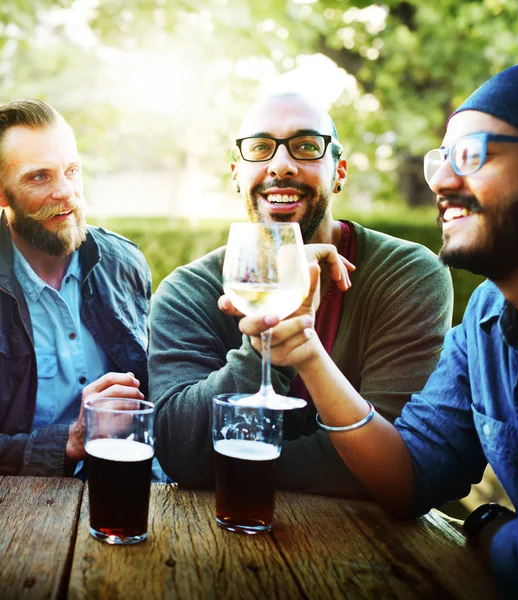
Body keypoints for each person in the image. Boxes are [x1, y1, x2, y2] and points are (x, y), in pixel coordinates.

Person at [233, 64, 518, 596]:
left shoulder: (416, 279)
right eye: (442, 160)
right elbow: (409, 478)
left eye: (473, 156)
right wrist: (308, 352)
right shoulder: (486, 320)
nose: (444, 182)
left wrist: (488, 527)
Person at [149, 91, 453, 497]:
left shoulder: (407, 275)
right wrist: (261, 351)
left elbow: (397, 457)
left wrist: (228, 461)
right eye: (260, 149)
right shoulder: (187, 292)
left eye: (306, 147)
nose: (281, 165)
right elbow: (178, 449)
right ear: (236, 173)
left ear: (339, 171)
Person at [0, 99, 151, 477]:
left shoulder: (125, 263)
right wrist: (69, 440)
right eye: (40, 177)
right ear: (3, 195)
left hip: (123, 484)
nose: (66, 192)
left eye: (72, 171)